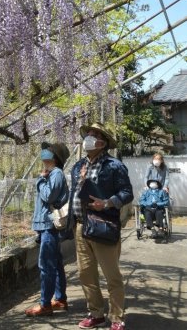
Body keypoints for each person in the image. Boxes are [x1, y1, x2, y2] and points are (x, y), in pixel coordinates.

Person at [68, 122, 133, 330]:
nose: (88, 137)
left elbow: (126, 193)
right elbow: (74, 194)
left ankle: (116, 318)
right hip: (81, 225)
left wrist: (106, 203)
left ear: (102, 142)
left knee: (111, 275)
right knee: (86, 273)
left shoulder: (114, 165)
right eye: (87, 133)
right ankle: (96, 313)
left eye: (94, 134)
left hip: (103, 224)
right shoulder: (78, 166)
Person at [25, 142, 70, 317]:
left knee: (46, 265)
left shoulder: (56, 174)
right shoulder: (51, 174)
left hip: (49, 225)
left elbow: (48, 195)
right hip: (46, 225)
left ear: (55, 157)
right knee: (56, 264)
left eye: (48, 151)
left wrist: (40, 180)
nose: (44, 153)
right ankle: (60, 299)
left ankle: (45, 304)